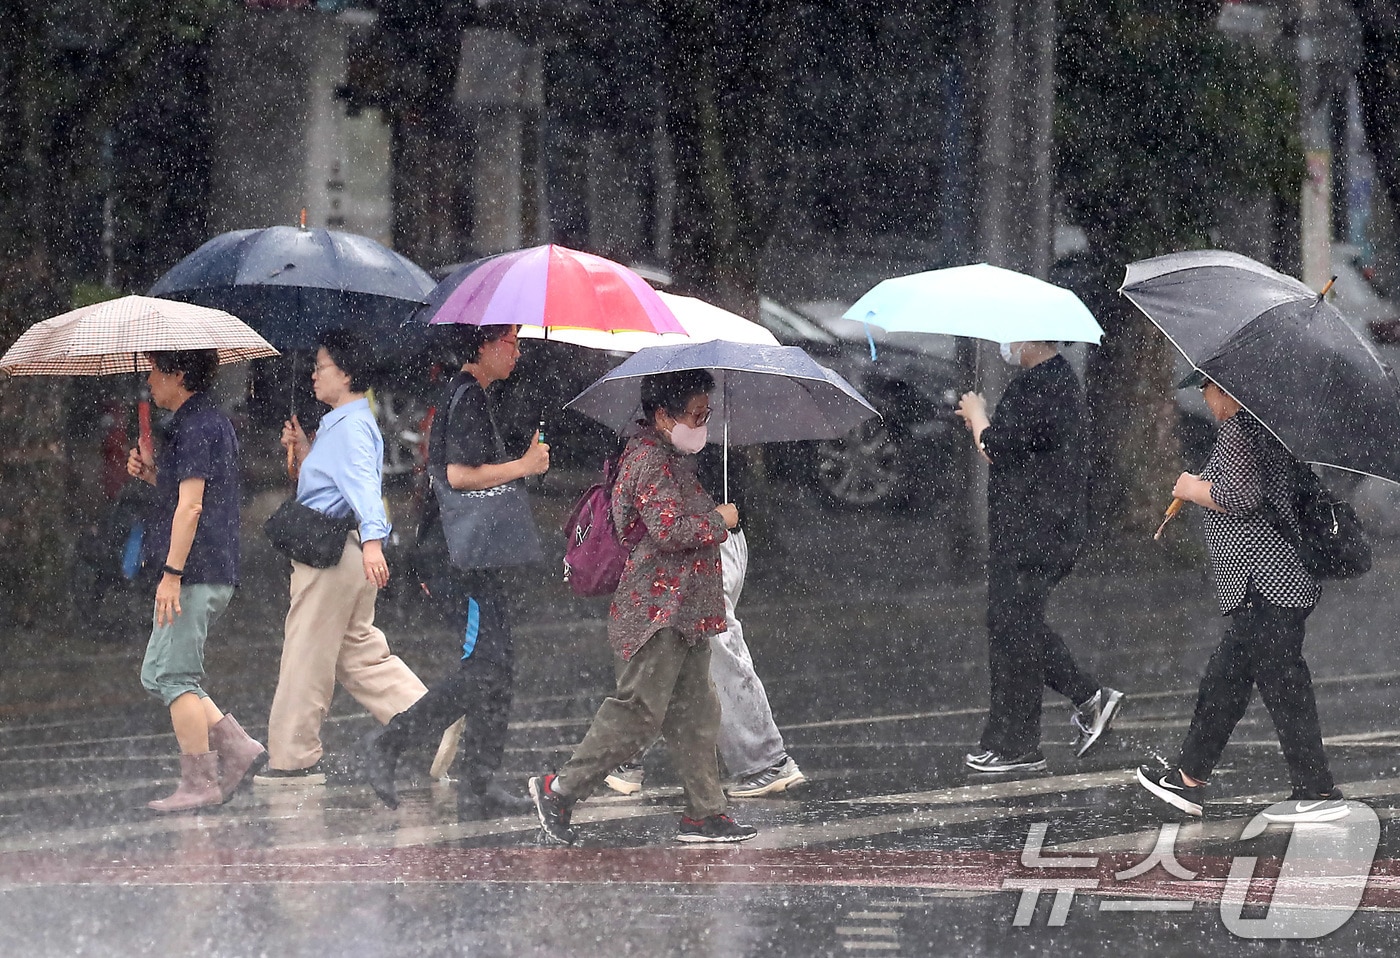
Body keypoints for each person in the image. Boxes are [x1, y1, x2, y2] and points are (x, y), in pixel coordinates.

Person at [530, 370, 758, 845]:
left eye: (707, 415)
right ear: (661, 415)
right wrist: (720, 518)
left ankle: (705, 812)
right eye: (696, 415)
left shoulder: (669, 459)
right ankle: (560, 789)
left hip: (685, 610)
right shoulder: (648, 461)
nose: (702, 424)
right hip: (656, 610)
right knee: (638, 714)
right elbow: (670, 530)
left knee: (697, 711)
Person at [1136, 374, 1346, 823]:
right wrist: (1198, 482)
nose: (1205, 401)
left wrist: (1192, 488)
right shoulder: (1262, 426)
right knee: (1226, 680)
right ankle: (1189, 778)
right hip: (1272, 583)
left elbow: (1239, 494)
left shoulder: (1240, 427)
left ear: (1227, 391)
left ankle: (1317, 792)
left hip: (1265, 582)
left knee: (1281, 685)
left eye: (1207, 391)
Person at [361, 323, 545, 819]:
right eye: (510, 341)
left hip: (475, 555)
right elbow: (459, 475)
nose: (518, 350)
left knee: (498, 667)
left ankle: (478, 784)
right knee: (485, 665)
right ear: (484, 344)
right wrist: (523, 466)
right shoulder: (465, 395)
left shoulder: (472, 396)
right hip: (453, 559)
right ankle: (391, 743)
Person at [255, 330, 434, 785]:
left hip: (331, 559)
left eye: (322, 366)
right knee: (359, 656)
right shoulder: (342, 423)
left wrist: (375, 541)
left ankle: (293, 758)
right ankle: (432, 721)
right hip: (342, 555)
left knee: (305, 656)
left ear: (348, 373)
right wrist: (304, 450)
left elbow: (363, 491)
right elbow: (330, 483)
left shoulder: (352, 426)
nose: (314, 374)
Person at [954, 340, 1123, 774]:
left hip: (1033, 531)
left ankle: (1016, 742)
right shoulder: (1058, 381)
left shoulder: (1038, 387)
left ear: (1030, 339)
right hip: (1045, 528)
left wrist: (976, 414)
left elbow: (996, 446)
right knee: (1014, 625)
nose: (1004, 345)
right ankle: (1084, 700)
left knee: (1014, 630)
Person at [604, 446, 806, 798]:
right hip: (711, 539)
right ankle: (626, 756)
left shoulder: (672, 444)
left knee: (707, 646)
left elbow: (667, 520)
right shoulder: (697, 441)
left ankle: (763, 760)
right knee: (672, 647)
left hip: (706, 543)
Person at [127, 349, 266, 812]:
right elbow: (196, 496)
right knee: (160, 673)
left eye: (153, 369)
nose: (149, 379)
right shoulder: (210, 422)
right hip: (210, 565)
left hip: (194, 570)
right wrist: (154, 476)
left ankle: (200, 782)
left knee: (173, 676)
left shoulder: (192, 428)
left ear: (178, 373)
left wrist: (171, 573)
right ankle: (238, 747)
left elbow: (191, 508)